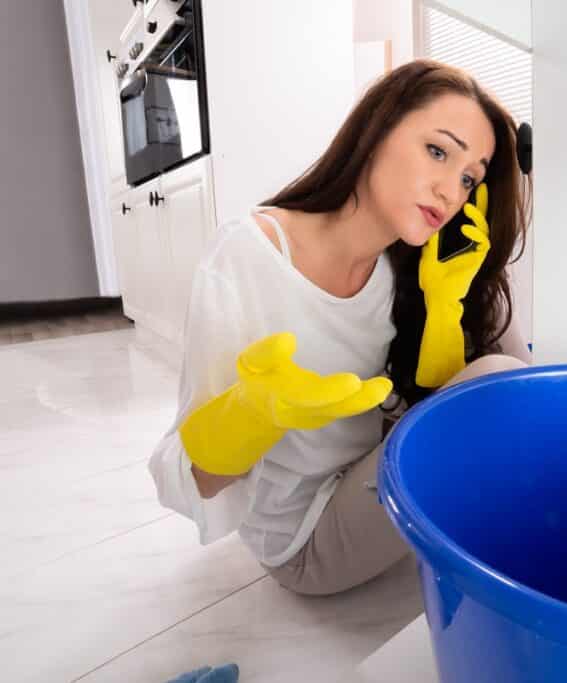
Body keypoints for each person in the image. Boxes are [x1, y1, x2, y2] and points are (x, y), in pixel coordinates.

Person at [148, 58, 532, 597]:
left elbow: (429, 403)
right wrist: (252, 416)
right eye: (438, 152)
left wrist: (445, 306)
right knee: (500, 380)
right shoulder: (249, 256)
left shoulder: (403, 264)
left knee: (493, 312)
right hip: (308, 537)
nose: (451, 191)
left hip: (372, 475)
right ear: (376, 132)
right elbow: (183, 479)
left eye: (469, 178)